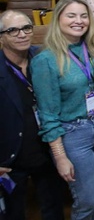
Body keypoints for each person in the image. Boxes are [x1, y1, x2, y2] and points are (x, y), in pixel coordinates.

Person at [31, 0, 94, 219]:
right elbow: (47, 114)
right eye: (71, 15)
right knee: (86, 200)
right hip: (74, 134)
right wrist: (59, 156)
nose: (79, 21)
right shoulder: (45, 60)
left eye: (83, 16)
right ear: (58, 19)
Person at [0, 11, 65, 220]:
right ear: (1, 37)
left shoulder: (44, 58)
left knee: (54, 210)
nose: (22, 34)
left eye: (26, 28)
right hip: (11, 158)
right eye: (13, 30)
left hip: (47, 151)